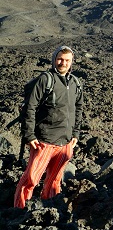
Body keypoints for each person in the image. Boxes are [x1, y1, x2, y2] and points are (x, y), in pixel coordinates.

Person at [14, 45, 84, 208]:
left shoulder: (75, 82)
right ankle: (19, 210)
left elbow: (78, 108)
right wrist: (29, 135)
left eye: (67, 60)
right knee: (31, 178)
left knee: (55, 180)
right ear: (54, 59)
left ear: (72, 62)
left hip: (65, 142)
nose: (63, 63)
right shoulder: (46, 79)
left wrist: (76, 134)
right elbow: (30, 107)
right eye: (60, 59)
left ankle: (49, 209)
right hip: (44, 140)